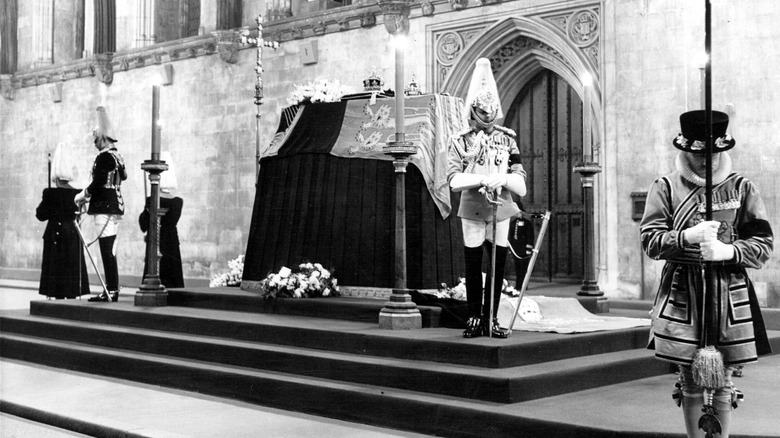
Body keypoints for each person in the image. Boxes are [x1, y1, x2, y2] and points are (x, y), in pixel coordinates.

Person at [640, 110, 773, 438]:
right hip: (684, 293)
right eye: (700, 154)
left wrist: (730, 251)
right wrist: (686, 237)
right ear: (685, 150)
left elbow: (763, 243)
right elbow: (650, 241)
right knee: (690, 378)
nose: (707, 161)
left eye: (714, 153)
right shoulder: (665, 187)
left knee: (725, 378)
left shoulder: (743, 187)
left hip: (729, 295)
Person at [447, 58, 527, 338]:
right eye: (484, 112)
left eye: (492, 112)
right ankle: (473, 316)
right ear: (474, 111)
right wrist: (482, 178)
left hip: (501, 207)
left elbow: (521, 184)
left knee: (497, 264)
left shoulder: (508, 139)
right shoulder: (460, 140)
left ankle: (491, 317)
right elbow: (454, 180)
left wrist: (502, 179)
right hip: (472, 205)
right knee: (472, 265)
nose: (489, 117)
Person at [75, 106, 128, 302]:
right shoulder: (117, 156)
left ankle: (111, 290)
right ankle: (112, 289)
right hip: (115, 206)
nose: (94, 142)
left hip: (104, 208)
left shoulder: (104, 157)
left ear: (103, 137)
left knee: (107, 249)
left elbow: (97, 183)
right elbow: (124, 176)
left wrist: (82, 195)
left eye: (96, 138)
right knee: (110, 249)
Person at [36, 143, 91, 299]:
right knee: (70, 270)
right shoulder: (77, 192)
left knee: (56, 272)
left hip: (55, 233)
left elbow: (40, 215)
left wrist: (49, 200)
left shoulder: (50, 193)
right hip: (72, 234)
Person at [139, 151, 184, 288]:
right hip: (171, 241)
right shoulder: (178, 202)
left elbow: (143, 225)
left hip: (156, 240)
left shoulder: (152, 199)